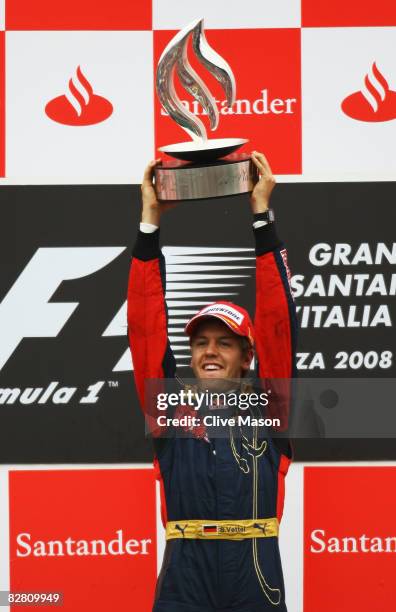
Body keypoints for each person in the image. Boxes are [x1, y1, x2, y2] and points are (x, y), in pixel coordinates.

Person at [127, 151, 297, 612]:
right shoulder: (168, 408)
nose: (210, 351)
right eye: (201, 342)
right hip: (187, 576)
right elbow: (145, 327)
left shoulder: (270, 406)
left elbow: (279, 320)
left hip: (255, 575)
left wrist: (261, 216)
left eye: (225, 343)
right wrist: (149, 222)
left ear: (248, 356)